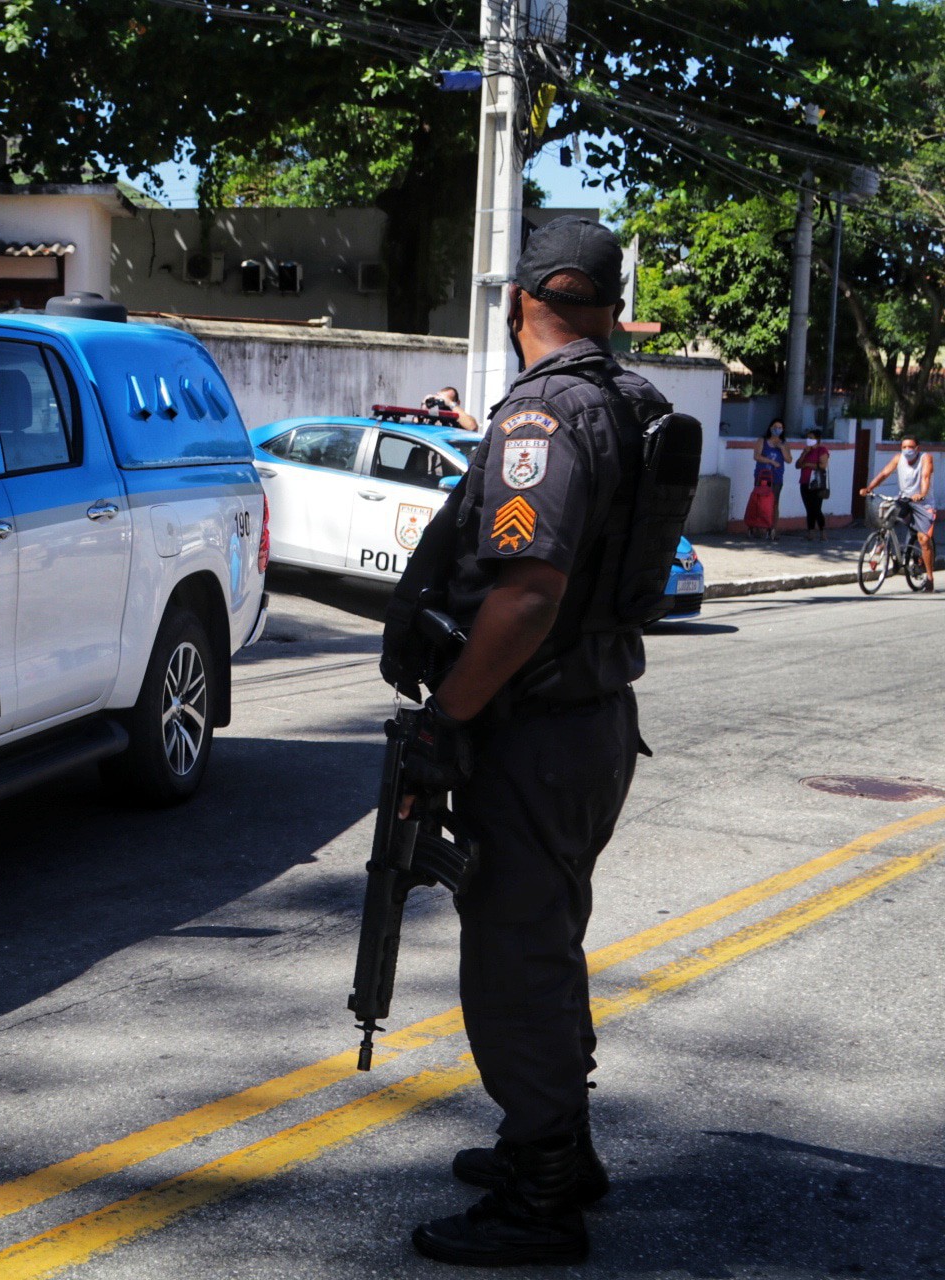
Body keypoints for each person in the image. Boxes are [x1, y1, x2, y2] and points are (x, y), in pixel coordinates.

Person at [390, 217, 672, 1266]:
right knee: (546, 938)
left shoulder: (547, 415)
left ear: (527, 300)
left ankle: (542, 1185)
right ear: (603, 302)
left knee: (514, 955)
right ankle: (567, 1144)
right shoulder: (627, 402)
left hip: (535, 728)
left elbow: (528, 593)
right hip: (590, 722)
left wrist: (445, 717)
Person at [861, 436, 936, 590]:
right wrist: (870, 488)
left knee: (923, 540)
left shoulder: (925, 458)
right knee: (885, 514)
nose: (907, 450)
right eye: (904, 447)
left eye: (910, 447)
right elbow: (884, 474)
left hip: (923, 503)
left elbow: (925, 477)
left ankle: (929, 578)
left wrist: (922, 493)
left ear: (917, 448)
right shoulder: (898, 458)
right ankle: (883, 545)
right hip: (904, 499)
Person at [794, 428, 832, 541]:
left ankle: (822, 531)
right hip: (805, 482)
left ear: (817, 439)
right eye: (808, 438)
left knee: (816, 508)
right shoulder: (806, 450)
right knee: (809, 508)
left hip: (817, 483)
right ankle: (810, 532)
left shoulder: (822, 450)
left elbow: (822, 465)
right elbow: (797, 465)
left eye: (811, 438)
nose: (808, 440)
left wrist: (807, 464)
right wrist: (805, 452)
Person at [755, 417, 788, 497]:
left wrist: (782, 448)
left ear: (782, 430)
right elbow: (757, 456)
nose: (777, 429)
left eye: (780, 428)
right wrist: (772, 462)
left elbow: (789, 460)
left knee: (774, 502)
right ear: (771, 428)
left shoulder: (784, 443)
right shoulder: (762, 440)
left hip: (777, 477)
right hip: (763, 475)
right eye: (775, 427)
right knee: (762, 501)